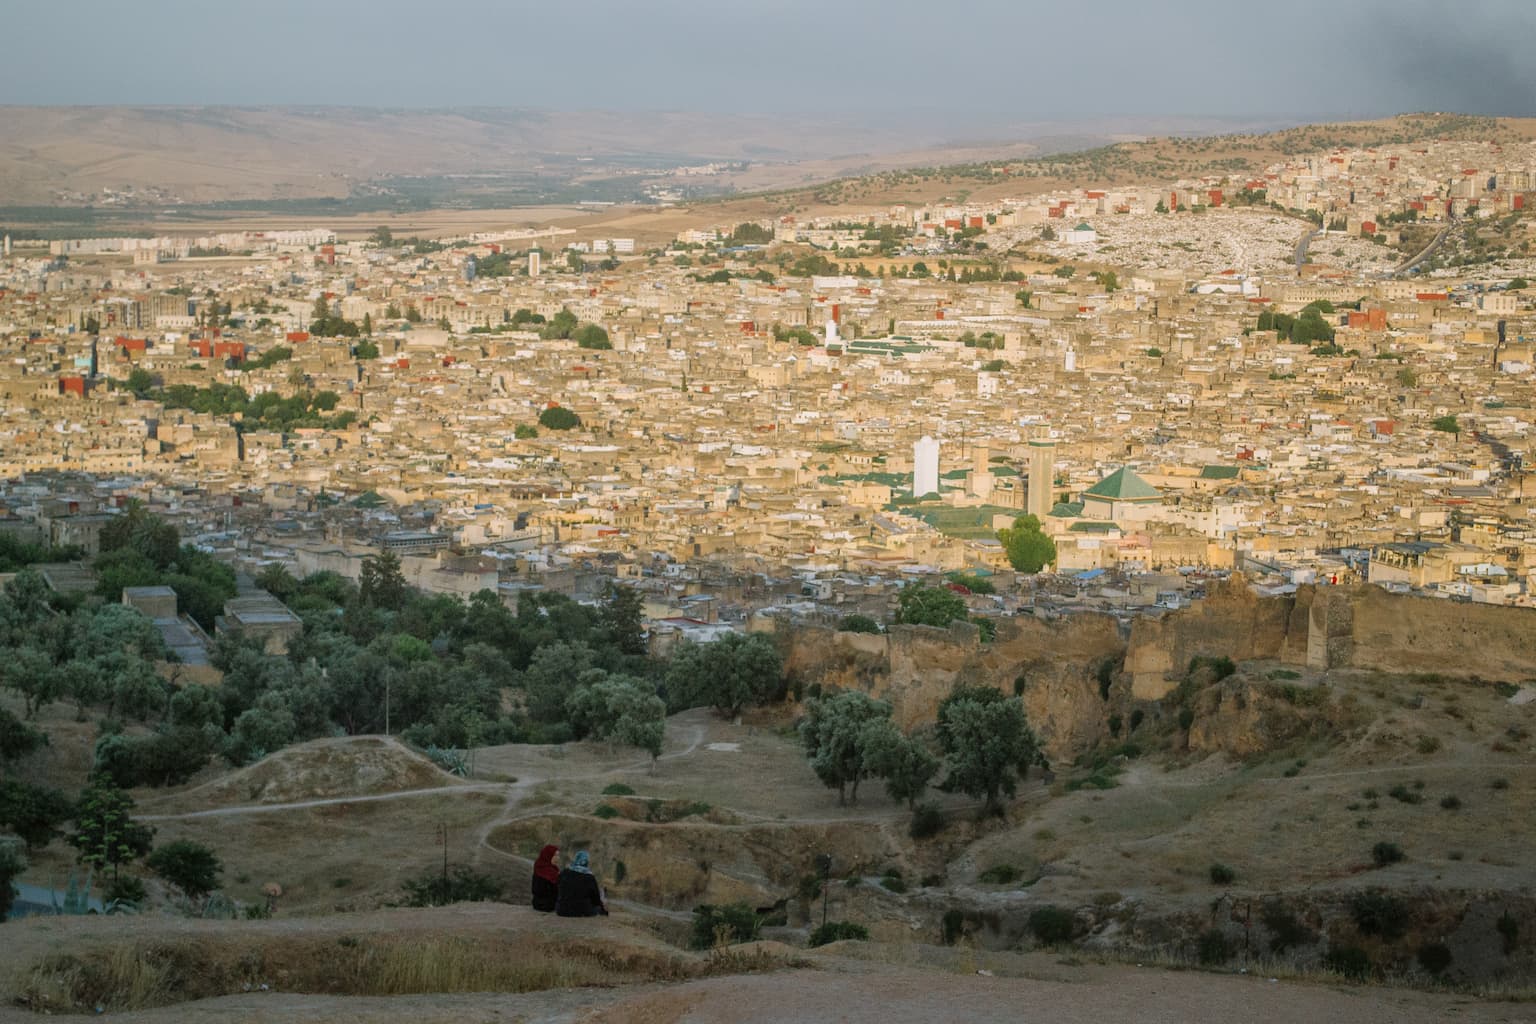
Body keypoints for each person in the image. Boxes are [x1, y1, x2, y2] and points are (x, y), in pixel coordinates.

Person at [555, 850, 608, 917]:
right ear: (586, 862)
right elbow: (596, 899)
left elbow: (557, 888)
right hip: (582, 911)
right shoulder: (589, 877)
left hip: (562, 910)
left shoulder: (564, 872)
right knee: (599, 903)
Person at [531, 844, 560, 913]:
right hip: (547, 904)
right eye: (555, 855)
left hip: (537, 902)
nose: (557, 858)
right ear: (549, 856)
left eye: (558, 855)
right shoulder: (547, 870)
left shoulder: (540, 866)